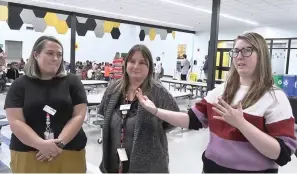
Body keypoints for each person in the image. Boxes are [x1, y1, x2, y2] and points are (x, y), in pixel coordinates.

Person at [135, 32, 297, 173]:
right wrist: (156, 110)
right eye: (236, 51)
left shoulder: (275, 98)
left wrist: (241, 124)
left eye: (247, 50)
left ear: (261, 55)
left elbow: (282, 153)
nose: (239, 56)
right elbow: (192, 120)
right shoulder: (222, 91)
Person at [4, 36, 88, 173]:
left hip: (69, 151)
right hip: (29, 153)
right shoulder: (19, 85)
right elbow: (15, 121)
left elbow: (79, 115)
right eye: (50, 53)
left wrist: (59, 144)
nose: (55, 58)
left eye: (59, 54)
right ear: (36, 55)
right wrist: (40, 144)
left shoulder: (72, 82)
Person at [98, 44, 179, 173]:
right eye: (132, 61)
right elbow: (103, 113)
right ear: (125, 64)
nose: (136, 66)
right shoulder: (112, 90)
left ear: (149, 67)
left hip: (149, 166)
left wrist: (154, 131)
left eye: (142, 62)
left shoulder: (159, 93)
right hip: (115, 163)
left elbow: (174, 119)